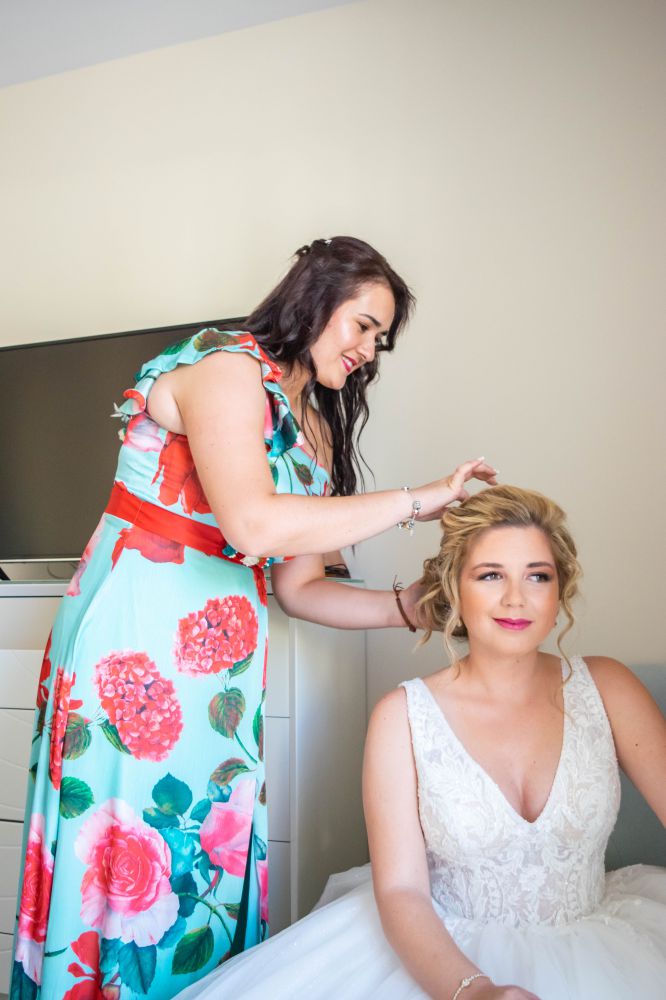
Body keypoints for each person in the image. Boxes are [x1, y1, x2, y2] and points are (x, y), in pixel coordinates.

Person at [10, 235, 498, 1000]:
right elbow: (253, 525)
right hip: (135, 645)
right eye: (364, 326)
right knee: (125, 841)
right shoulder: (228, 369)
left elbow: (300, 588)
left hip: (219, 663)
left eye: (381, 340)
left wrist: (410, 608)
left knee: (201, 851)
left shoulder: (315, 427)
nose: (370, 351)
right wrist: (416, 499)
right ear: (317, 299)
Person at [174, 485, 666, 1000]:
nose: (516, 598)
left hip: (606, 950)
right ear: (454, 587)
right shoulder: (403, 717)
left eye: (537, 576)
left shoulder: (608, 688)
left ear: (559, 588)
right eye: (490, 575)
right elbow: (402, 890)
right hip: (438, 952)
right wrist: (472, 991)